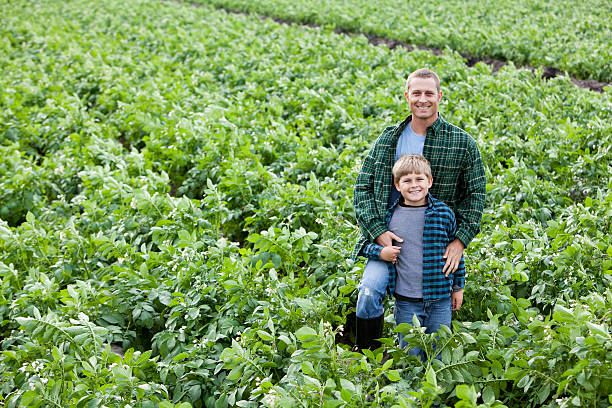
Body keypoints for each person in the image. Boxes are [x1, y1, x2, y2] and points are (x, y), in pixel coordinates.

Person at [352, 68, 486, 350]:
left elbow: (475, 196)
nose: (422, 99)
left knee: (433, 303)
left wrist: (459, 241)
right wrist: (378, 233)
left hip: (435, 242)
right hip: (392, 237)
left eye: (428, 93)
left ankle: (428, 358)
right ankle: (368, 358)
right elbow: (362, 187)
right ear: (407, 96)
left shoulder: (461, 143)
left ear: (439, 96)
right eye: (416, 93)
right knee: (368, 292)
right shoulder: (389, 138)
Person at [361, 154, 464, 357]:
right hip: (406, 301)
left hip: (440, 298)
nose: (414, 185)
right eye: (407, 180)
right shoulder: (389, 216)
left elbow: (457, 254)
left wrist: (458, 287)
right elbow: (364, 246)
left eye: (419, 179)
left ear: (430, 182)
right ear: (397, 186)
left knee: (439, 351)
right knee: (411, 353)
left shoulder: (444, 214)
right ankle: (411, 388)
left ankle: (436, 388)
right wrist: (382, 252)